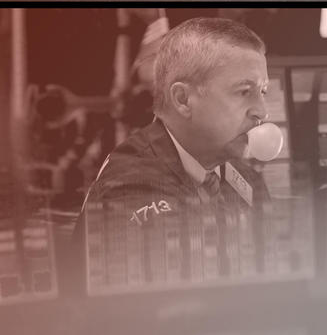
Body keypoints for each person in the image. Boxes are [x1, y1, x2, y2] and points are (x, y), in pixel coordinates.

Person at [70, 18, 273, 290]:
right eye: (244, 91)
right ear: (183, 100)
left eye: (263, 91)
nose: (262, 111)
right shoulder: (132, 183)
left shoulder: (243, 176)